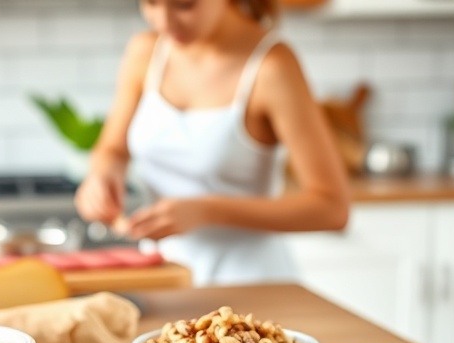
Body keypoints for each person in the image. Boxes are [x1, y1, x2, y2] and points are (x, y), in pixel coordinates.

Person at [75, 0, 350, 286]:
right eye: (151, 2)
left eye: (184, 5)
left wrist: (206, 211)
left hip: (252, 286)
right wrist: (103, 175)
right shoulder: (145, 51)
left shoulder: (272, 67)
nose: (163, 21)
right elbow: (113, 149)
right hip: (165, 279)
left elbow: (332, 208)